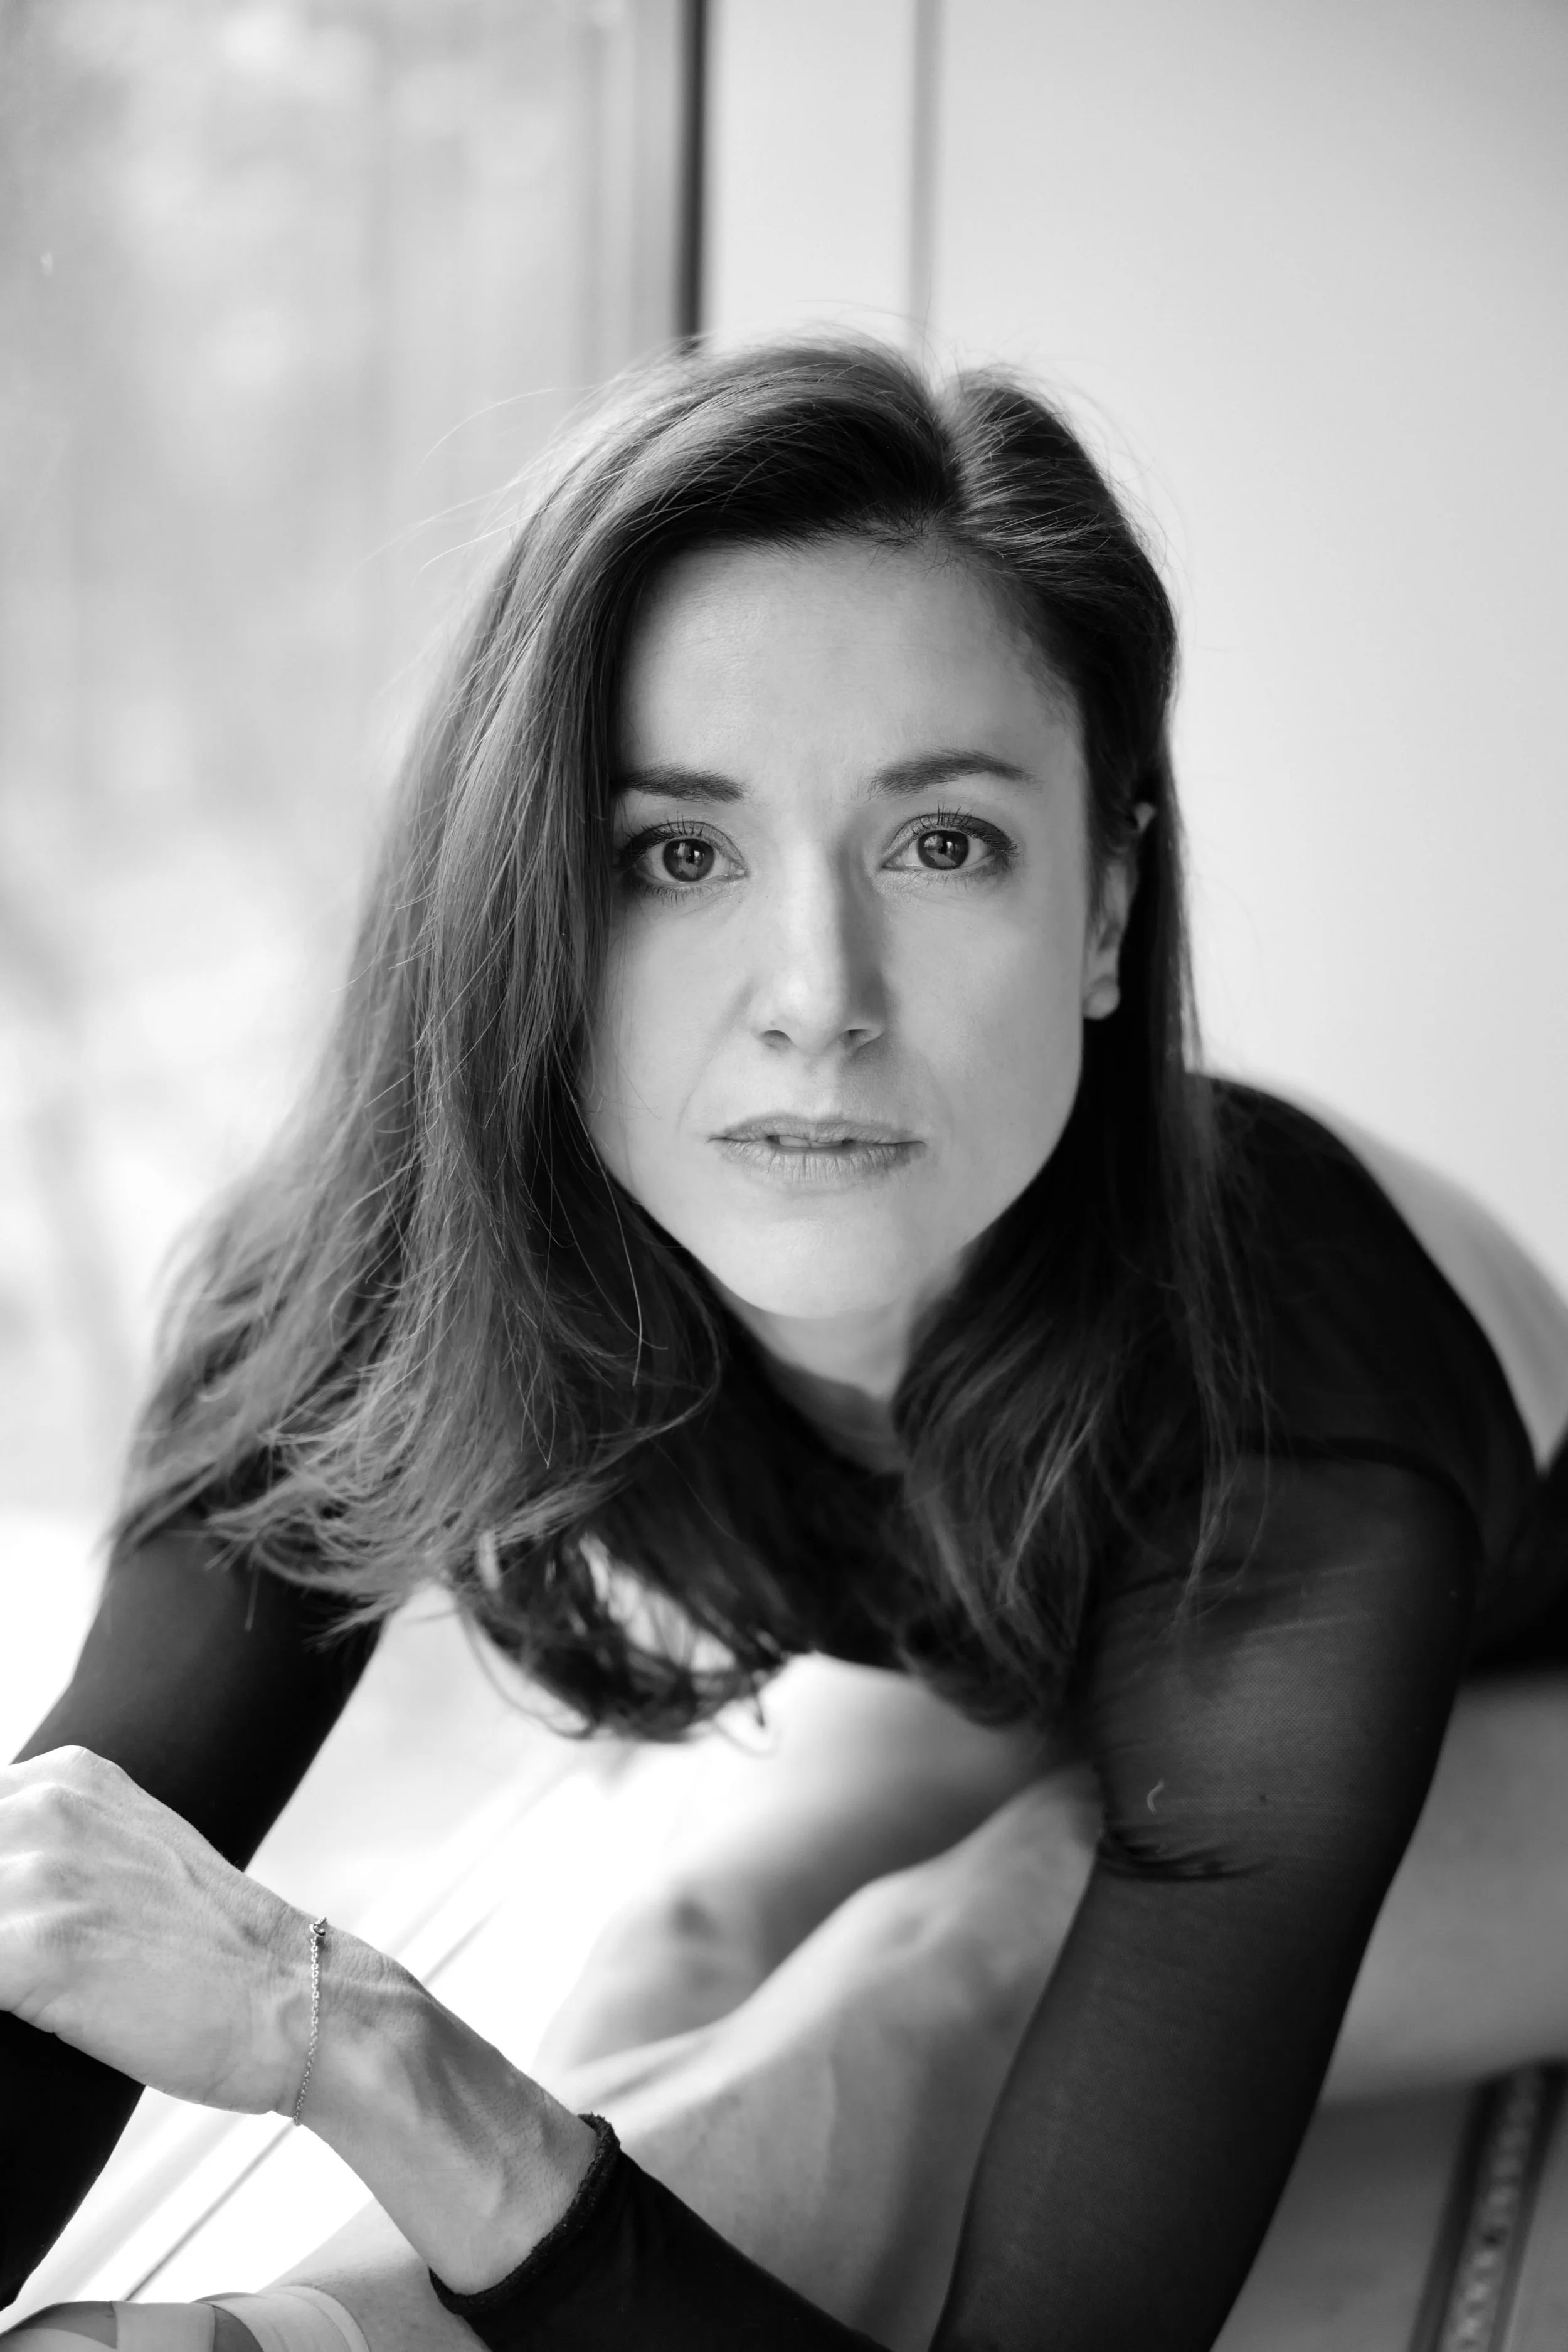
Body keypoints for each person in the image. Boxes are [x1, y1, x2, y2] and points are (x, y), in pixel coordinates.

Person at [2, 337, 1567, 2352]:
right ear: (529, 901)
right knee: (677, 1924)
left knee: (967, 1952)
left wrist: (362, 2048)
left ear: (1105, 902)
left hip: (1493, 1700)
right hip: (1055, 1627)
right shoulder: (382, 1263)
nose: (816, 997)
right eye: (678, 850)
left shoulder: (1285, 1425)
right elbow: (76, 1899)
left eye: (942, 843)